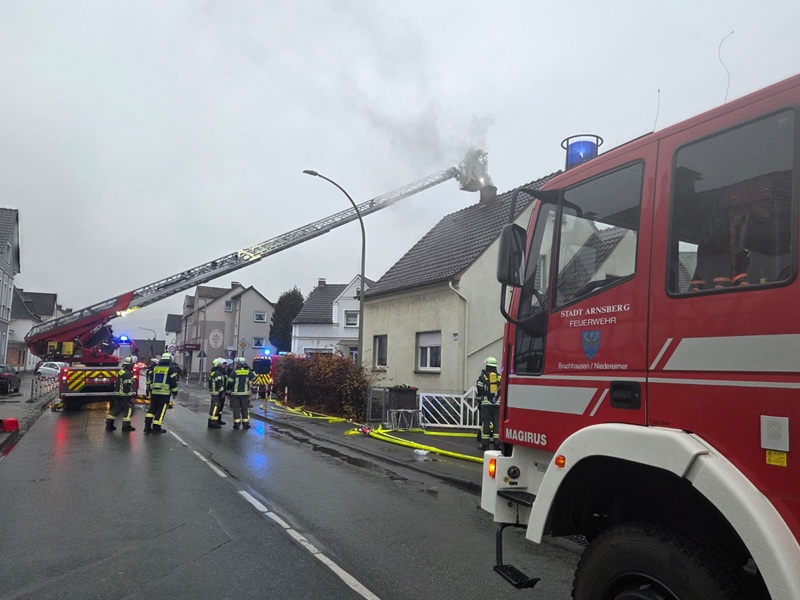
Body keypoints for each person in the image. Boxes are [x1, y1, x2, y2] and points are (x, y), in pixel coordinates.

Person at [144, 352, 178, 434]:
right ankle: (156, 428)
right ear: (169, 360)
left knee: (152, 408)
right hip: (164, 393)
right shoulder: (170, 369)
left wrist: (149, 389)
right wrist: (175, 392)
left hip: (154, 392)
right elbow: (173, 382)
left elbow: (150, 380)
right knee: (161, 410)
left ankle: (147, 427)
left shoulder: (155, 368)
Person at [476, 356, 502, 450]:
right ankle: (497, 444)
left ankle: (485, 445)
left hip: (486, 404)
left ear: (487, 365)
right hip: (497, 404)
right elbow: (502, 391)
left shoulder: (482, 378)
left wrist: (479, 403)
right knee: (497, 424)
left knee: (485, 424)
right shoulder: (499, 377)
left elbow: (479, 392)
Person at [106, 356, 136, 432]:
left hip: (118, 394)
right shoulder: (127, 373)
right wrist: (131, 395)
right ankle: (126, 426)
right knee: (129, 409)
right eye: (132, 364)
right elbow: (127, 385)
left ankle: (109, 425)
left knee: (115, 410)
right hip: (124, 395)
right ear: (130, 365)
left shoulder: (122, 371)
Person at [227, 356, 255, 430]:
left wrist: (228, 391)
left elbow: (229, 383)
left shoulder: (234, 372)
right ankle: (245, 424)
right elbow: (254, 378)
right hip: (245, 394)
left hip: (235, 394)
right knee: (245, 409)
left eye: (236, 363)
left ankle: (236, 424)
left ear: (239, 363)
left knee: (236, 409)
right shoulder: (248, 372)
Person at [207, 358, 226, 429]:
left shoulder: (213, 372)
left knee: (213, 408)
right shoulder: (217, 373)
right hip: (217, 393)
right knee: (215, 407)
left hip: (214, 392)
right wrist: (222, 392)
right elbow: (219, 384)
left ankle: (210, 420)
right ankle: (213, 422)